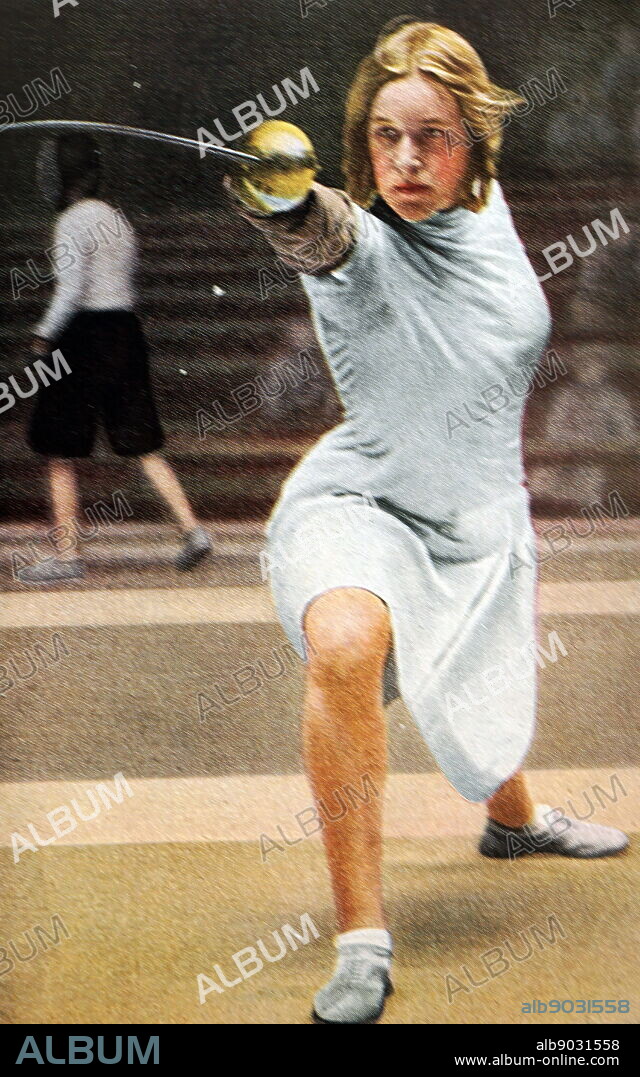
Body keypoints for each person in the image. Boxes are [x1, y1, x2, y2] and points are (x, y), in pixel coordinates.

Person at [226, 21, 629, 1024]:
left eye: (431, 137)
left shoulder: (485, 220)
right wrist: (281, 190)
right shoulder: (359, 248)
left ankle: (515, 821)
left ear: (472, 147)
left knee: (481, 684)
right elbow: (319, 230)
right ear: (362, 146)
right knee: (347, 642)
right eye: (383, 139)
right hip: (363, 501)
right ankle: (362, 940)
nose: (405, 160)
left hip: (481, 511)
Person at [22, 132, 212, 582]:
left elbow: (71, 291)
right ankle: (192, 529)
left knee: (60, 449)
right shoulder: (116, 218)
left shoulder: (71, 221)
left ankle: (68, 556)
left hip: (84, 336)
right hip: (124, 332)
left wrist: (43, 336)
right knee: (141, 442)